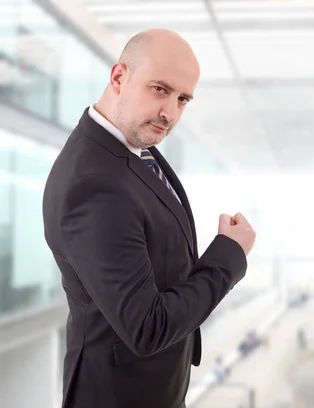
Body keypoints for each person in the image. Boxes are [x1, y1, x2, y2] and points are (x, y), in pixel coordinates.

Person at [42, 29, 256, 408]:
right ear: (119, 77)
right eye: (160, 89)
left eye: (183, 99)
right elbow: (147, 327)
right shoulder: (94, 183)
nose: (170, 113)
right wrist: (228, 256)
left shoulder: (131, 143)